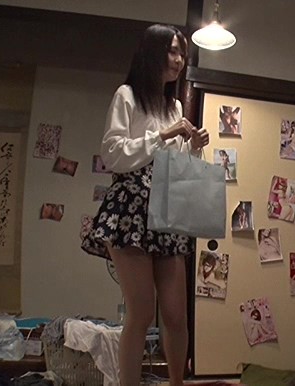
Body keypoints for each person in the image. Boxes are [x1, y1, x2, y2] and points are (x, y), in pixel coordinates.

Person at [81, 24, 210, 386]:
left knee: (176, 315)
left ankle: (176, 383)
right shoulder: (127, 95)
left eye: (182, 53)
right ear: (152, 53)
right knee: (140, 312)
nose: (179, 60)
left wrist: (193, 146)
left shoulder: (175, 105)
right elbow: (112, 154)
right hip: (130, 207)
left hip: (167, 208)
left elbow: (176, 165)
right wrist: (163, 134)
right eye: (172, 51)